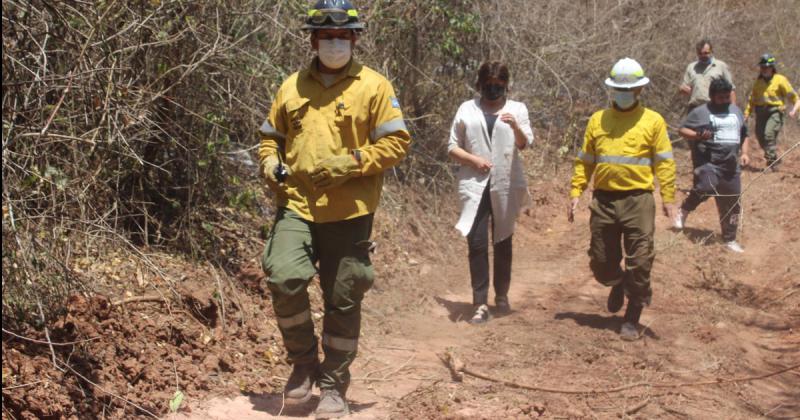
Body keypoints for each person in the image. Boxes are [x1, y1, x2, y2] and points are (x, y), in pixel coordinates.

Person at [257, 1, 411, 417]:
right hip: (297, 205)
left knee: (343, 298)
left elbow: (397, 143)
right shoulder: (291, 86)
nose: (335, 44)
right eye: (327, 37)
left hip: (350, 210)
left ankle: (334, 386)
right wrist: (270, 163)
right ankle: (303, 364)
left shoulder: (374, 87)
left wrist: (352, 163)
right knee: (284, 275)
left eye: (343, 37)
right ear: (313, 39)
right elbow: (270, 139)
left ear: (355, 39)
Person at [568, 58, 677, 341]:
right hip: (604, 201)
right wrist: (576, 191)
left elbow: (664, 162)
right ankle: (618, 282)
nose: (624, 93)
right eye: (619, 88)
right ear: (611, 89)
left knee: (640, 262)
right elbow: (585, 160)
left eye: (629, 89)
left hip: (638, 200)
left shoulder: (653, 121)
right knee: (602, 264)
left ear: (640, 90)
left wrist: (668, 197)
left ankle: (633, 315)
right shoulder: (597, 119)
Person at [447, 61, 534, 325]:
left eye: (499, 86)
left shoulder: (517, 109)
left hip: (506, 183)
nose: (493, 91)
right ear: (479, 85)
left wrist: (515, 125)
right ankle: (480, 302)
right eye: (488, 86)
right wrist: (473, 160)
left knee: (502, 240)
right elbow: (452, 146)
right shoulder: (467, 108)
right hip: (474, 184)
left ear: (506, 86)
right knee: (476, 243)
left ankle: (503, 296)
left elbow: (525, 143)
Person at [674, 78, 752, 253]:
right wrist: (698, 136)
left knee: (732, 204)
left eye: (727, 97)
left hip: (731, 165)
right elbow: (682, 130)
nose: (725, 101)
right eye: (720, 98)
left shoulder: (736, 111)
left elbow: (744, 134)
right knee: (706, 187)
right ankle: (685, 208)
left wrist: (745, 153)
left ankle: (730, 239)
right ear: (711, 96)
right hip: (709, 161)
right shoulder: (701, 112)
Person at [743, 54, 800, 171]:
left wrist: (794, 110)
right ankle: (773, 158)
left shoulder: (780, 80)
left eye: (767, 67)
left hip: (775, 112)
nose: (764, 69)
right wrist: (747, 113)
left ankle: (771, 162)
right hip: (761, 112)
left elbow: (794, 97)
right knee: (760, 136)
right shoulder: (758, 83)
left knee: (769, 134)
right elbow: (752, 99)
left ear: (772, 67)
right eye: (763, 67)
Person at [679, 39, 737, 112]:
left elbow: (731, 89)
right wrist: (682, 89)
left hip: (715, 107)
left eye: (706, 53)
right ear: (697, 53)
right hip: (695, 108)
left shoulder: (721, 66)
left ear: (711, 51)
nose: (703, 55)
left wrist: (734, 110)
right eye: (700, 53)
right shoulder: (691, 67)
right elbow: (684, 88)